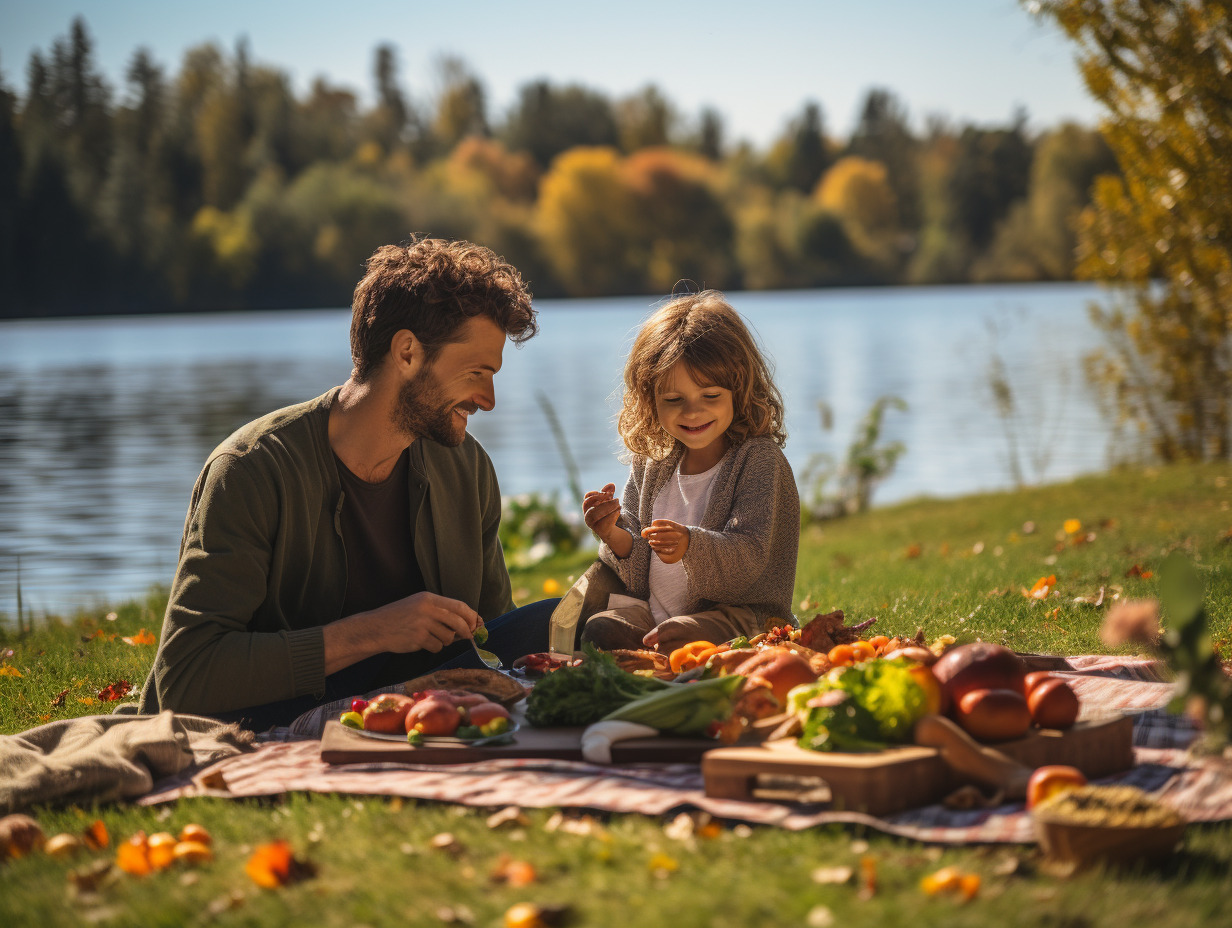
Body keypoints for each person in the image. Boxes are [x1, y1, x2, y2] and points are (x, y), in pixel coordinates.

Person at [138, 237, 556, 728]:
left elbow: (491, 639)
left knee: (552, 622)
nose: (487, 399)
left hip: (423, 688)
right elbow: (185, 676)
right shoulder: (251, 469)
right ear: (407, 352)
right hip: (283, 707)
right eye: (476, 372)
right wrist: (376, 631)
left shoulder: (467, 467)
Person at [568, 290, 799, 655]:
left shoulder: (758, 460)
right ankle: (652, 649)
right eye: (674, 400)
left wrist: (690, 545)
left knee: (688, 633)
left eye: (710, 396)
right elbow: (637, 561)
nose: (692, 412)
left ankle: (665, 651)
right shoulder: (652, 462)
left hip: (738, 614)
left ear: (739, 392)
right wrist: (613, 533)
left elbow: (751, 557)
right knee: (599, 627)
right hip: (653, 611)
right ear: (649, 399)